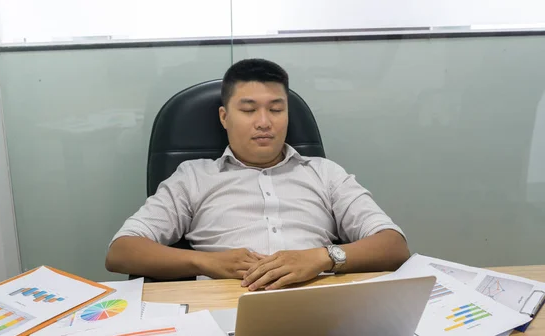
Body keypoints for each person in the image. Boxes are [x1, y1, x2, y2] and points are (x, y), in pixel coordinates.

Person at [106, 58, 409, 291]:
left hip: (319, 303)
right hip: (224, 304)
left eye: (276, 110)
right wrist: (206, 262)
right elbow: (121, 252)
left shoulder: (324, 173)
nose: (264, 122)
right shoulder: (193, 177)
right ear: (225, 117)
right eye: (249, 110)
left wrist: (320, 258)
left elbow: (394, 246)